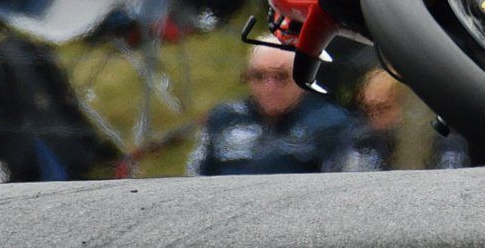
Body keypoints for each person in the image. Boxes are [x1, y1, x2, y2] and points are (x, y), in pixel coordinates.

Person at [188, 45, 356, 176]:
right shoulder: (224, 118)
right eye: (258, 76)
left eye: (281, 76)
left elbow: (341, 187)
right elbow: (196, 177)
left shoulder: (330, 122)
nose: (269, 87)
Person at [339, 69, 469, 173]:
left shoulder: (442, 140)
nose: (374, 118)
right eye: (368, 110)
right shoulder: (363, 141)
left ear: (405, 107)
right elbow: (357, 189)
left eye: (383, 109)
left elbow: (449, 186)